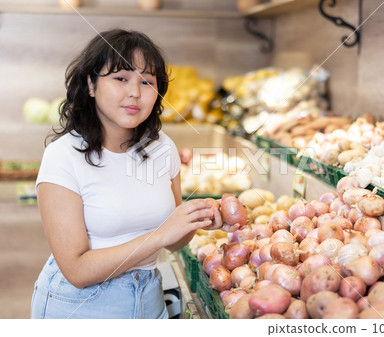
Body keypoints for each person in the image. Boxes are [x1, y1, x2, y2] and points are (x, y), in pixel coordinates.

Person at [30, 29, 236, 319]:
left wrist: (194, 220)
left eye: (147, 82)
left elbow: (173, 240)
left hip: (148, 298)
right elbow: (76, 270)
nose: (135, 93)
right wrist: (161, 234)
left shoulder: (162, 148)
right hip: (79, 306)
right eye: (121, 78)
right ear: (90, 84)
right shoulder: (62, 157)